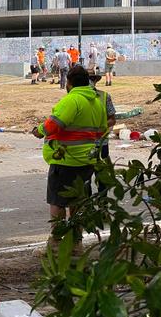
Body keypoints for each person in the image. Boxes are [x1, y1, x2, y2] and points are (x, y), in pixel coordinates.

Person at [32, 65, 108, 246]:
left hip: (65, 159)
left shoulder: (72, 100)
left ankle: (56, 242)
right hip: (87, 160)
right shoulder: (97, 102)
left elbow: (54, 124)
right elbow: (102, 130)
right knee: (77, 201)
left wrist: (39, 130)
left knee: (57, 201)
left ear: (69, 82)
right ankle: (76, 242)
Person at [89, 73, 116, 195]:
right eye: (88, 79)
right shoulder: (75, 98)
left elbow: (112, 119)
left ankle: (103, 202)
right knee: (85, 177)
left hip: (101, 142)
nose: (90, 82)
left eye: (92, 79)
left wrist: (101, 126)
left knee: (102, 176)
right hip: (84, 143)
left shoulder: (104, 96)